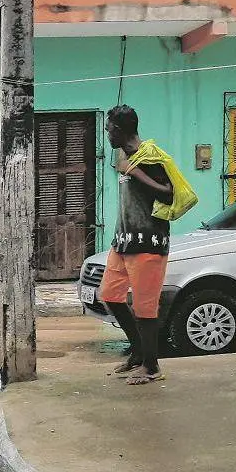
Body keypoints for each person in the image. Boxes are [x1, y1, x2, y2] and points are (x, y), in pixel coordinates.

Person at [98, 104, 174, 386]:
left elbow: (169, 194)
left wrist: (136, 172)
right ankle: (138, 352)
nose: (106, 135)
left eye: (108, 130)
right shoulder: (122, 154)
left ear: (118, 130)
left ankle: (152, 367)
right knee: (110, 295)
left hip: (148, 241)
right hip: (124, 240)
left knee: (145, 307)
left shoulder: (149, 157)